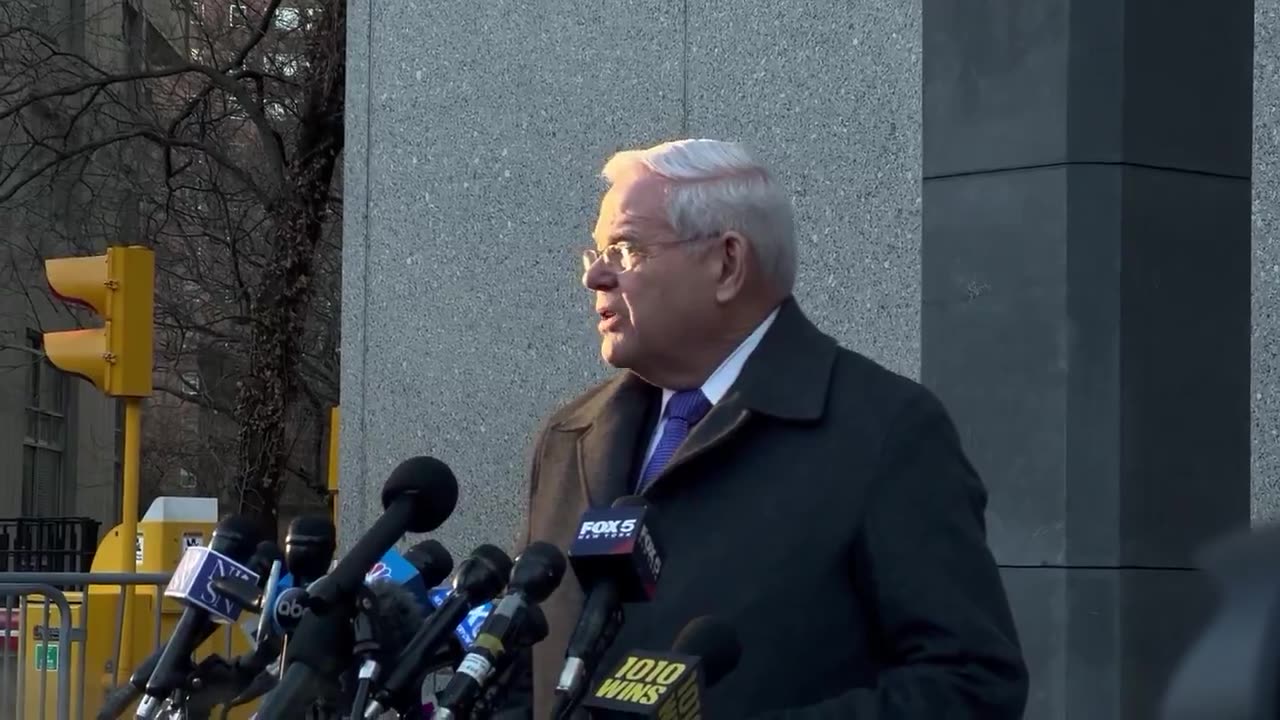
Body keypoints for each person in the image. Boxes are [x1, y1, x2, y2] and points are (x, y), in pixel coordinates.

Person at [512, 138, 1028, 718]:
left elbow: (970, 685)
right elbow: (519, 671)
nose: (595, 276)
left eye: (626, 249)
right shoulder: (569, 436)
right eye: (595, 251)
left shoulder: (884, 430)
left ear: (727, 264)